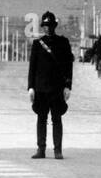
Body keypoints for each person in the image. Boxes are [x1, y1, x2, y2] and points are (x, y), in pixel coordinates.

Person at [27, 10, 73, 159]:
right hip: (40, 88)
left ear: (54, 26)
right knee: (41, 118)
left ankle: (57, 150)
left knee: (57, 119)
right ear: (42, 27)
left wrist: (68, 86)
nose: (47, 28)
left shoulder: (63, 43)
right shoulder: (37, 44)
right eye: (45, 25)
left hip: (57, 88)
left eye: (50, 25)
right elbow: (32, 67)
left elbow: (68, 66)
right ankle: (41, 149)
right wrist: (31, 87)